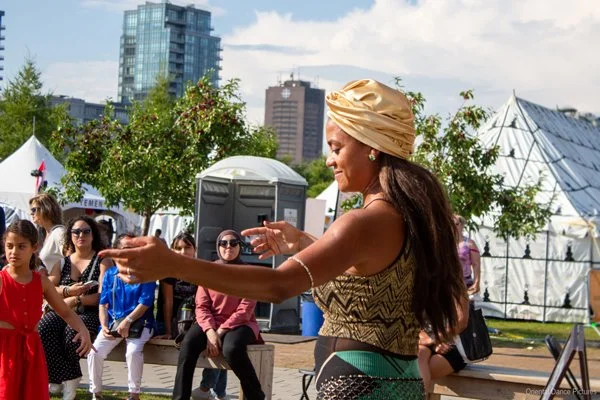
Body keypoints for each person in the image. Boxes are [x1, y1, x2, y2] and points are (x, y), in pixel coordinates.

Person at [100, 79, 467, 399]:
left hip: (359, 386)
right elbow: (367, 275)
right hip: (397, 380)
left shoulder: (362, 222)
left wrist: (175, 264)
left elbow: (278, 286)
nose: (329, 160)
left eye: (336, 148)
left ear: (372, 146)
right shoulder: (412, 218)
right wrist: (303, 244)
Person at [0, 220, 94, 400]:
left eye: (21, 246)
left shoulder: (42, 282)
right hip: (5, 352)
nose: (14, 252)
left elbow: (65, 311)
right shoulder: (2, 279)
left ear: (34, 247)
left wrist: (83, 330)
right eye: (9, 246)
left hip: (32, 350)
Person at [175, 230, 258, 400]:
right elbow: (201, 306)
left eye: (233, 243)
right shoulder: (209, 271)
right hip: (210, 322)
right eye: (224, 243)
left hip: (241, 324)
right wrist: (209, 331)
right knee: (188, 344)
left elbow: (245, 310)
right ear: (218, 246)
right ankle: (180, 397)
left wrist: (219, 332)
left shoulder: (249, 273)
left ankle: (256, 396)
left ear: (240, 246)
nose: (228, 247)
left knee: (232, 349)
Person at [39, 216, 112, 400]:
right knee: (43, 328)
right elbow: (48, 287)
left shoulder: (103, 261)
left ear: (93, 235)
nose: (81, 235)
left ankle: (67, 379)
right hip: (63, 309)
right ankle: (62, 377)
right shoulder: (62, 262)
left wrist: (77, 300)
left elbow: (103, 296)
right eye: (76, 232)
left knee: (72, 335)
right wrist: (67, 291)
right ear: (70, 236)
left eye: (86, 231)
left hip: (90, 312)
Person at [87, 234, 156, 400]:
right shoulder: (110, 274)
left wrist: (128, 321)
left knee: (132, 352)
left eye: (133, 248)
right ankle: (96, 393)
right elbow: (103, 303)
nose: (129, 253)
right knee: (94, 352)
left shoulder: (146, 272)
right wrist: (104, 325)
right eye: (125, 249)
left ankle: (134, 394)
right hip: (115, 323)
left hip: (141, 323)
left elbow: (145, 302)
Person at [417, 296, 470, 393]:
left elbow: (462, 322)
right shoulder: (416, 287)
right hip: (426, 341)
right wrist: (433, 342)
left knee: (413, 371)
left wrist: (436, 339)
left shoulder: (456, 288)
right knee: (419, 357)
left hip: (454, 344)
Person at [154, 231, 198, 339]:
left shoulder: (199, 271)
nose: (183, 252)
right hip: (167, 322)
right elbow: (167, 303)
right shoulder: (168, 271)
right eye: (178, 248)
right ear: (172, 250)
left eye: (187, 247)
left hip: (191, 321)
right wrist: (168, 332)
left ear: (195, 249)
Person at [29, 193, 65, 280]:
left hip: (61, 285)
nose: (31, 213)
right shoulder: (45, 234)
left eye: (34, 210)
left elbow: (71, 259)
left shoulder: (59, 232)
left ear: (46, 209)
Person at [454, 215, 481, 295]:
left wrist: (476, 282)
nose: (454, 227)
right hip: (447, 283)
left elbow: (476, 264)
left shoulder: (470, 243)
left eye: (456, 224)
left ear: (462, 225)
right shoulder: (444, 244)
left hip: (465, 283)